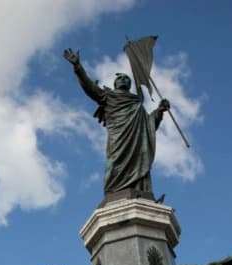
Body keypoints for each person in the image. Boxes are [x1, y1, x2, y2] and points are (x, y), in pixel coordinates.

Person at [63, 48, 170, 198]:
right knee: (114, 165)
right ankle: (113, 194)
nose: (123, 80)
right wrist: (77, 67)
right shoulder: (108, 96)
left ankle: (140, 190)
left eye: (127, 79)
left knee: (138, 159)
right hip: (118, 137)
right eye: (120, 78)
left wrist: (159, 110)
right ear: (114, 83)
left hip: (136, 141)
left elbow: (148, 123)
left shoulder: (136, 103)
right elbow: (89, 87)